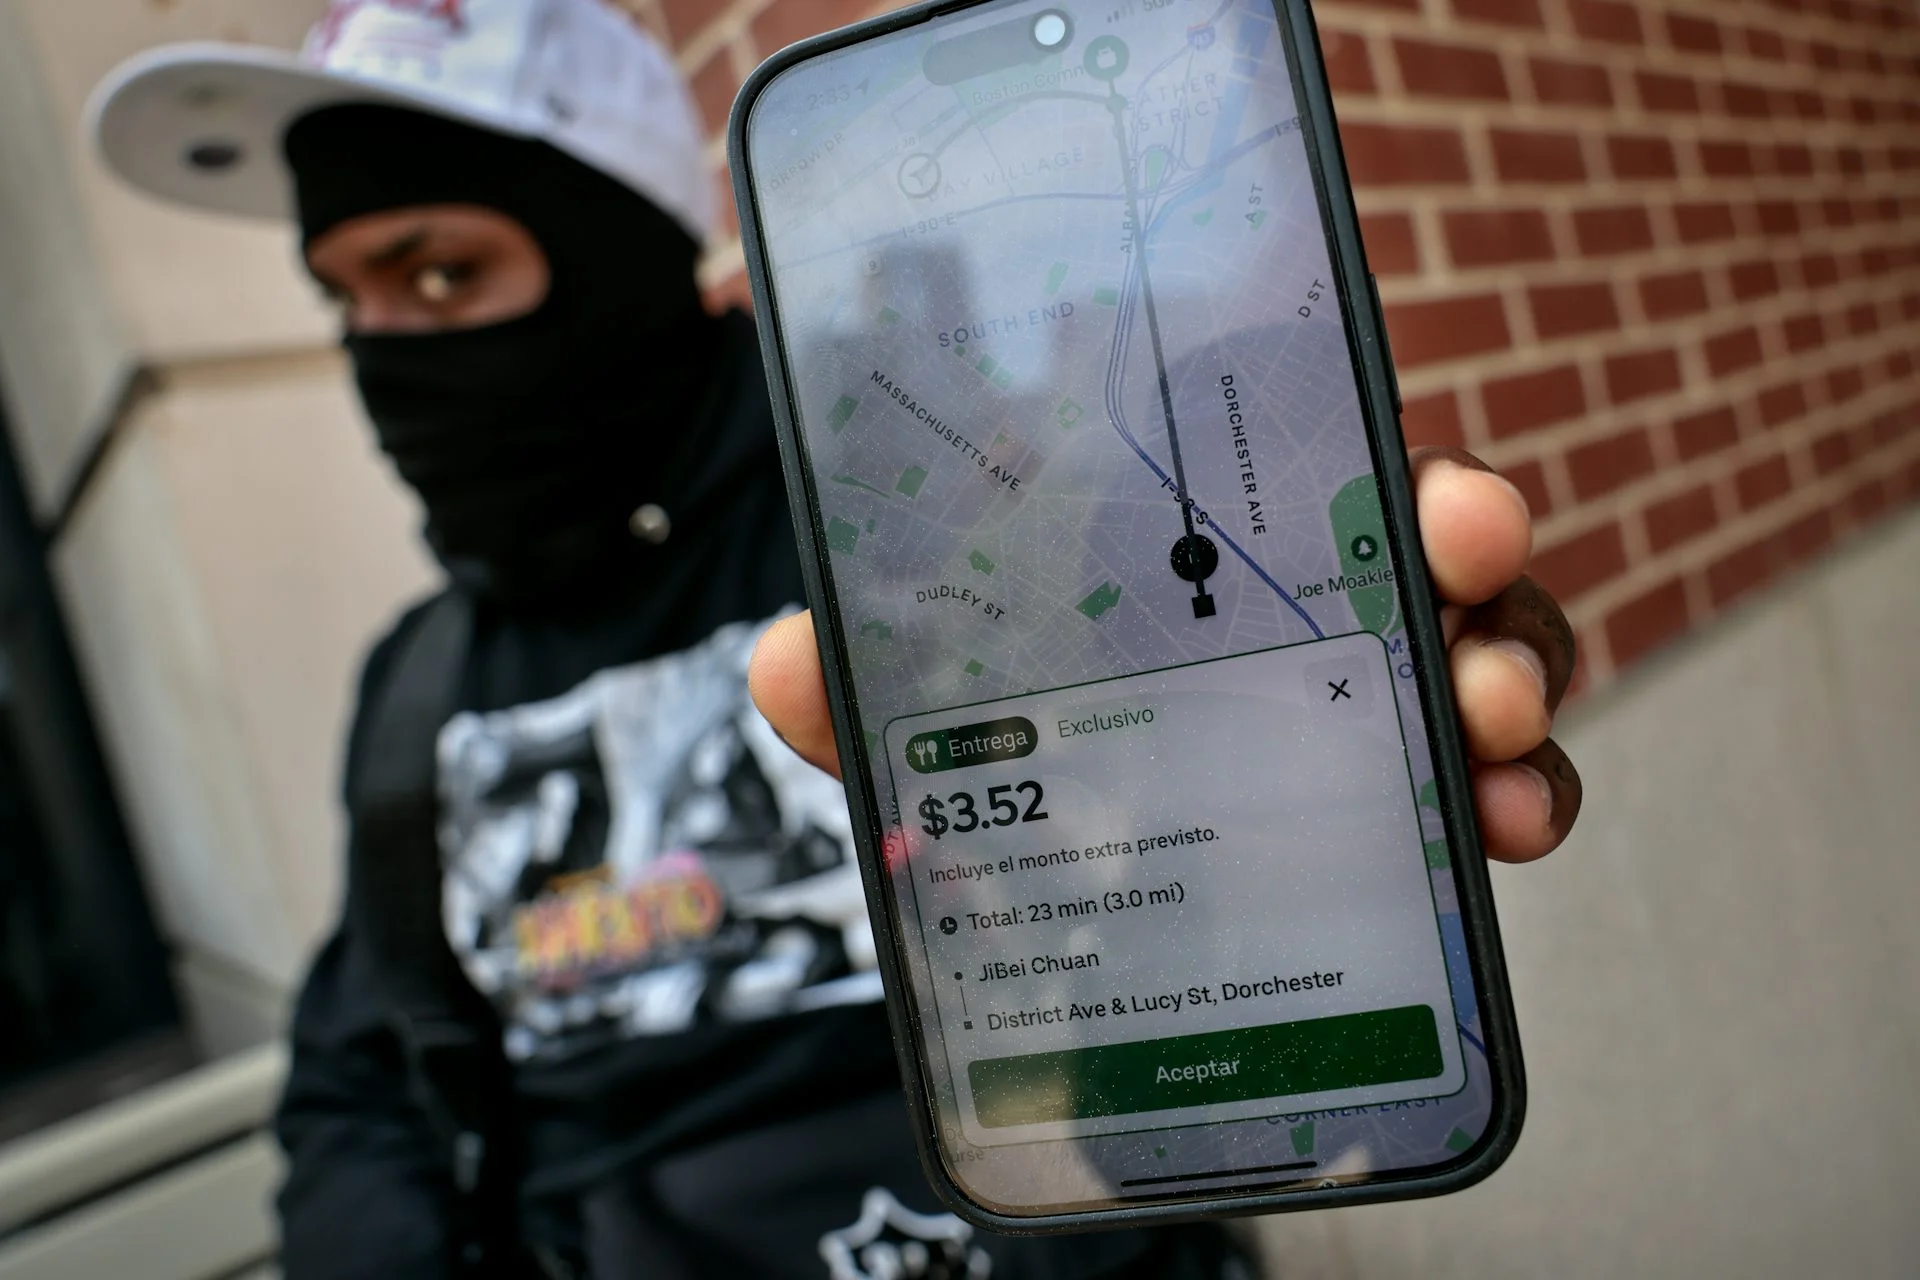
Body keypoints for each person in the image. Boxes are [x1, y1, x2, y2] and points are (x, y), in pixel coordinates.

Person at [89, 1, 1582, 1276]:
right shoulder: (416, 691)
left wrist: (1298, 863)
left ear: (608, 251)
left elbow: (1204, 983)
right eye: (343, 300)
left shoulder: (944, 526)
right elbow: (360, 1090)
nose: (386, 355)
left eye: (440, 275)